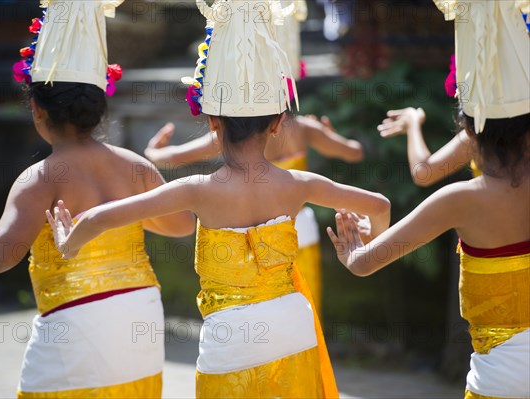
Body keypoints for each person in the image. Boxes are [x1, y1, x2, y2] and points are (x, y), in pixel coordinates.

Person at [46, 1, 391, 397]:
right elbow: (379, 205)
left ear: (212, 123)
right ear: (278, 123)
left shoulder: (194, 189)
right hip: (293, 326)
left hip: (232, 341)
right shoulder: (301, 183)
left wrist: (67, 244)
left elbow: (99, 219)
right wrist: (367, 245)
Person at [0, 1, 195, 397]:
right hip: (141, 314)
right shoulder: (136, 167)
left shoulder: (39, 178)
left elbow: (1, 254)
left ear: (37, 109)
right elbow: (182, 225)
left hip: (76, 319)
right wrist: (132, 211)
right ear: (100, 105)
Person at [329, 2, 530, 397]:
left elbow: (366, 262)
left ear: (469, 127)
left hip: (501, 379)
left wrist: (353, 249)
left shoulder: (459, 198)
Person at [144, 115, 363, 313]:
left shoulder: (231, 133)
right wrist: (329, 134)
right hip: (298, 232)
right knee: (305, 310)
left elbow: (171, 157)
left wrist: (152, 150)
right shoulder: (305, 128)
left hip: (248, 237)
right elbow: (354, 152)